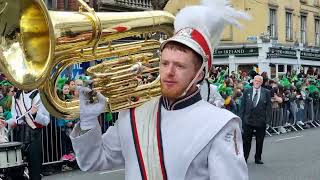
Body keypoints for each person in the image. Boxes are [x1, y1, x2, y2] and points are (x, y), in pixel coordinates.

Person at [70, 1, 249, 179]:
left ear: (200, 75)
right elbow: (94, 161)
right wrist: (88, 122)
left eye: (179, 66)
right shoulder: (133, 114)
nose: (169, 72)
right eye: (165, 63)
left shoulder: (221, 124)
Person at [1, 89, 50, 180]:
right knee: (16, 171)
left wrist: (36, 114)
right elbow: (16, 119)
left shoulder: (40, 96)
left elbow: (46, 121)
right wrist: (6, 123)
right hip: (19, 136)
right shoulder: (16, 97)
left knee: (35, 171)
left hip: (34, 136)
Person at [240, 75, 272, 164]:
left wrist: (268, 121)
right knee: (246, 141)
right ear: (253, 81)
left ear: (261, 83)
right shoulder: (247, 91)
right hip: (248, 120)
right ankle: (244, 158)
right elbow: (242, 106)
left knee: (259, 141)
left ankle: (257, 158)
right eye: (255, 80)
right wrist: (241, 119)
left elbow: (269, 108)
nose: (257, 82)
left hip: (260, 120)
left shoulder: (266, 92)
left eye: (259, 81)